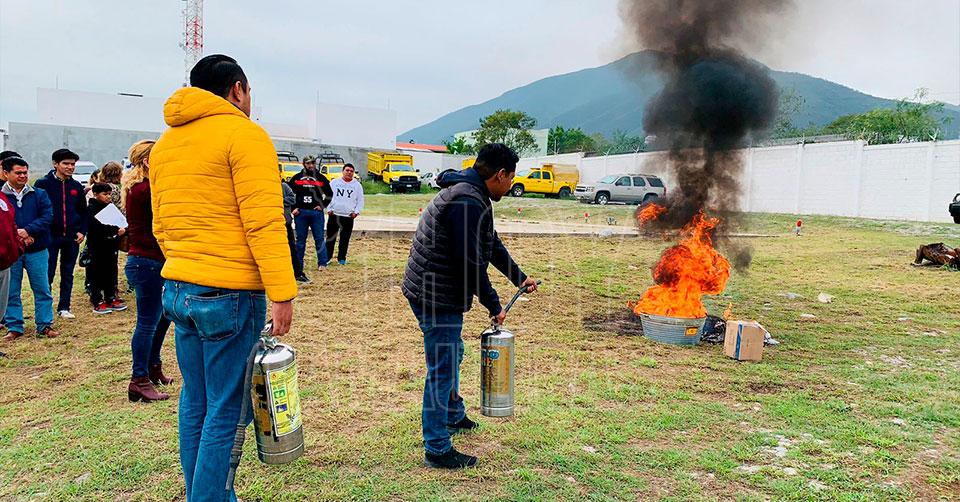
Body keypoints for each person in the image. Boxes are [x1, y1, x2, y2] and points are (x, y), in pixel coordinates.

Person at [150, 53, 296, 500]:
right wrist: (282, 292)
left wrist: (185, 266)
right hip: (228, 294)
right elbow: (264, 222)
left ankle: (205, 493)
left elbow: (161, 224)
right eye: (248, 92)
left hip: (179, 288)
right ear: (237, 89)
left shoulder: (165, 144)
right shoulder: (244, 135)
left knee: (196, 400)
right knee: (226, 412)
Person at [402, 143, 538, 469]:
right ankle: (437, 447)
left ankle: (452, 414)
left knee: (454, 353)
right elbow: (470, 262)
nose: (511, 185)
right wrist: (494, 304)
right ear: (500, 174)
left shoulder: (473, 194)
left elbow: (489, 243)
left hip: (439, 288)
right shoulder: (466, 200)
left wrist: (518, 277)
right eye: (511, 178)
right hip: (434, 293)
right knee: (443, 366)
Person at [122, 139, 172, 403]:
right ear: (147, 161)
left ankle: (152, 367)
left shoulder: (141, 187)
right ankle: (138, 379)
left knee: (162, 318)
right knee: (147, 322)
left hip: (152, 261)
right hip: (148, 261)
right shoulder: (146, 189)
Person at [1, 156, 59, 341]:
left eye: (25, 172)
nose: (23, 176)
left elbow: (47, 216)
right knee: (11, 291)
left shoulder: (39, 194)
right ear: (6, 173)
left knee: (42, 288)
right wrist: (17, 236)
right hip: (12, 252)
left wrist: (28, 230)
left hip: (37, 249)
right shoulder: (1, 197)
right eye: (18, 173)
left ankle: (44, 324)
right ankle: (14, 326)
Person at [34, 148, 87, 320]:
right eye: (66, 163)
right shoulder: (43, 184)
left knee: (68, 272)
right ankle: (45, 308)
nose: (70, 167)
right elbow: (36, 210)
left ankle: (64, 306)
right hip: (50, 237)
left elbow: (83, 211)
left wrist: (82, 230)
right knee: (47, 273)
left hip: (71, 237)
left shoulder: (76, 186)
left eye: (73, 164)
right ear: (55, 164)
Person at [287, 155, 332, 281]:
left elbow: (329, 194)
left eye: (312, 163)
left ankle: (322, 263)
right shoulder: (296, 178)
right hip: (301, 213)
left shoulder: (321, 178)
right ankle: (298, 265)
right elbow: (289, 194)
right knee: (300, 240)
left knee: (319, 238)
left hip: (316, 213)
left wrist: (322, 205)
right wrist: (293, 208)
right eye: (308, 163)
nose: (310, 165)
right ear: (304, 164)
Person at [85, 183, 126, 314]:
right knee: (97, 273)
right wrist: (114, 230)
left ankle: (110, 297)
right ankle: (97, 299)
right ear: (95, 194)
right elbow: (96, 228)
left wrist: (120, 230)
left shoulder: (110, 207)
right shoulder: (91, 209)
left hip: (111, 246)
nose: (108, 197)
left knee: (111, 272)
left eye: (109, 194)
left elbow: (119, 221)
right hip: (97, 247)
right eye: (105, 194)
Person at [0, 152, 25, 333]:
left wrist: (17, 246)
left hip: (5, 260)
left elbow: (9, 225)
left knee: (2, 301)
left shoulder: (2, 198)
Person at [324, 163, 363, 265]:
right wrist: (329, 209)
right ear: (343, 171)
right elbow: (328, 196)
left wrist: (356, 212)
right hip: (334, 215)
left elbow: (360, 200)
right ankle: (327, 257)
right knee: (330, 237)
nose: (349, 173)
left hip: (348, 216)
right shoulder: (334, 182)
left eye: (351, 171)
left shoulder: (357, 185)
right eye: (347, 170)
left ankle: (341, 258)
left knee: (345, 238)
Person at [280, 174, 302, 281]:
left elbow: (292, 198)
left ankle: (297, 273)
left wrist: (279, 201)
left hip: (286, 223)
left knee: (292, 248)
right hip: (271, 226)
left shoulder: (284, 186)